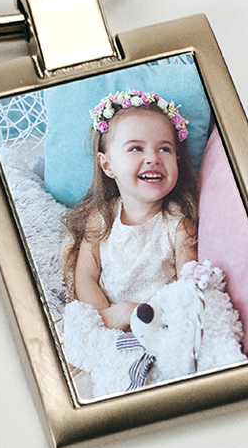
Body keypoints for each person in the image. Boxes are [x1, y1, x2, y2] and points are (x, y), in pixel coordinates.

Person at [61, 89, 199, 331]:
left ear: (177, 159)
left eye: (164, 149)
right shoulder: (102, 217)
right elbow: (85, 278)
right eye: (136, 148)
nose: (153, 158)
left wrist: (143, 320)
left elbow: (188, 288)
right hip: (107, 324)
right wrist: (108, 318)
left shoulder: (179, 224)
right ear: (108, 165)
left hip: (159, 327)